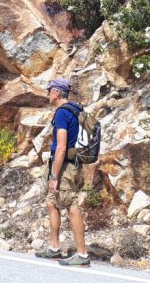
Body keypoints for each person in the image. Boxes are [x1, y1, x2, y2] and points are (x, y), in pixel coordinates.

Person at [34, 77, 90, 267]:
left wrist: (55, 177)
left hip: (65, 166)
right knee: (52, 203)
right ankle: (55, 248)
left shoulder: (61, 114)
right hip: (70, 163)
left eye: (50, 90)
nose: (48, 93)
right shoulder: (76, 110)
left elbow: (61, 147)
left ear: (57, 92)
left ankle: (82, 255)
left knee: (71, 206)